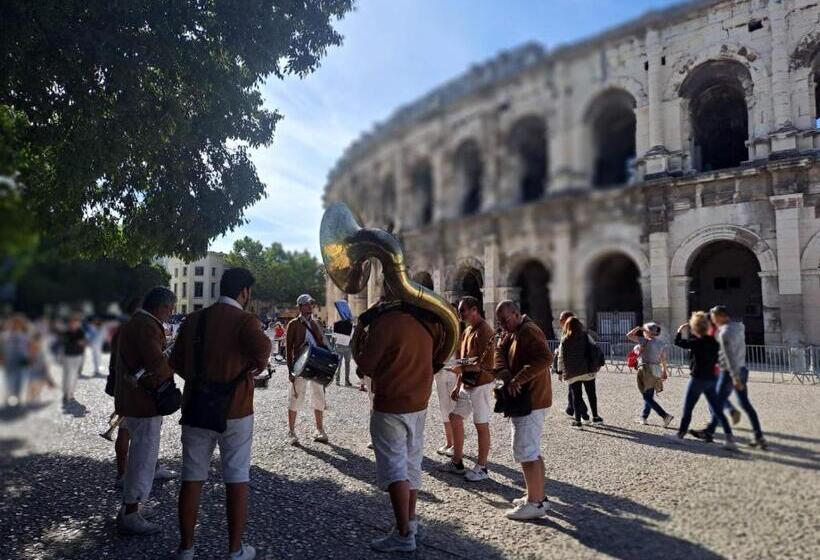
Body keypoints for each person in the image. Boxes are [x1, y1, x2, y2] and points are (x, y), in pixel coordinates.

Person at [171, 268, 271, 560]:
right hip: (236, 410)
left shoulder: (193, 320)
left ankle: (187, 548)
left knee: (191, 477)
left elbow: (176, 362)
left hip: (196, 408)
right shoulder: (245, 320)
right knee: (236, 478)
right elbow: (263, 352)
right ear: (244, 293)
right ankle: (235, 550)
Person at [353, 292, 446, 553]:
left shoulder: (386, 322)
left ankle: (403, 533)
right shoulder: (430, 322)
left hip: (391, 403)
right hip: (419, 402)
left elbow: (366, 365)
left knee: (395, 469)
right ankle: (410, 522)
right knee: (411, 465)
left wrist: (362, 330)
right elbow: (438, 357)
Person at [113, 287, 177, 535]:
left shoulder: (135, 322)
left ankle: (131, 507)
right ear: (160, 307)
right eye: (170, 309)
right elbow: (158, 365)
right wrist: (174, 357)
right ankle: (131, 511)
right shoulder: (147, 326)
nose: (170, 315)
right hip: (144, 403)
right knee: (143, 457)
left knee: (141, 454)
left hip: (133, 399)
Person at [494, 300, 553, 520]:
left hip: (531, 400)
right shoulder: (514, 330)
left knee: (525, 450)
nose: (502, 326)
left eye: (505, 321)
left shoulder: (528, 331)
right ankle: (538, 495)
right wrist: (505, 373)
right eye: (499, 323)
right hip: (527, 400)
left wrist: (517, 380)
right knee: (531, 450)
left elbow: (545, 358)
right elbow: (499, 350)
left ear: (517, 314)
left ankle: (535, 503)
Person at [691, 305, 767, 449]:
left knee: (716, 402)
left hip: (729, 372)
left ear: (720, 316)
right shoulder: (739, 327)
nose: (712, 320)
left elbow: (729, 356)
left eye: (713, 318)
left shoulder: (724, 332)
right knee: (744, 404)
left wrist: (734, 377)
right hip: (742, 368)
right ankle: (758, 437)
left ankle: (719, 435)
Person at [438, 296, 495, 481]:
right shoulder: (468, 330)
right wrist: (458, 384)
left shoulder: (485, 331)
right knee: (455, 417)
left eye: (463, 310)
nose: (460, 314)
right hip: (468, 383)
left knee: (481, 425)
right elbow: (465, 359)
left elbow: (485, 363)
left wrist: (460, 369)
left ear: (474, 310)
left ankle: (482, 467)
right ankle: (457, 461)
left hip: (481, 384)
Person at [669, 312, 736, 449]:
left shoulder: (696, 342)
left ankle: (680, 435)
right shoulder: (715, 342)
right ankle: (729, 439)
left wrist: (679, 331)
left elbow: (678, 342)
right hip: (711, 378)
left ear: (695, 328)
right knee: (717, 409)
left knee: (688, 408)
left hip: (698, 379)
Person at [285, 294, 330, 445]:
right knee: (296, 396)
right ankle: (291, 431)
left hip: (316, 364)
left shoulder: (316, 323)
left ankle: (319, 429)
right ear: (300, 306)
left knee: (319, 396)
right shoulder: (293, 324)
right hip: (299, 365)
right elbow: (288, 348)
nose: (310, 307)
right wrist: (290, 370)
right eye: (307, 304)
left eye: (311, 304)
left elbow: (323, 343)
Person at [557, 317, 602, 427]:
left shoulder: (565, 340)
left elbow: (560, 357)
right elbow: (595, 348)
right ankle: (595, 418)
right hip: (588, 370)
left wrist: (559, 372)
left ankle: (578, 421)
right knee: (592, 395)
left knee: (576, 396)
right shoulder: (586, 336)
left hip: (573, 372)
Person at [627, 322, 673, 427]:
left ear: (648, 331)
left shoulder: (645, 340)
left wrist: (638, 328)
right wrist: (665, 371)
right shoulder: (661, 343)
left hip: (646, 369)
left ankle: (665, 415)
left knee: (646, 396)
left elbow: (629, 335)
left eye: (645, 329)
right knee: (649, 395)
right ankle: (644, 417)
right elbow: (663, 359)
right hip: (656, 369)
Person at [555, 311, 588, 421]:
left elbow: (562, 353)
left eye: (561, 319)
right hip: (580, 367)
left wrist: (559, 371)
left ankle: (584, 414)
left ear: (567, 319)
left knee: (575, 392)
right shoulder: (578, 331)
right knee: (572, 391)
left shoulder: (569, 332)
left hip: (574, 367)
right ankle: (571, 409)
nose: (560, 322)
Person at [3, 314, 31, 407]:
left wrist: (28, 357)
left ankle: (18, 398)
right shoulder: (6, 335)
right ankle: (7, 397)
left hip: (21, 360)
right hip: (9, 360)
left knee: (20, 380)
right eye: (15, 323)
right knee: (9, 380)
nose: (17, 325)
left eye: (19, 323)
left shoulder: (24, 336)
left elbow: (28, 348)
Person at [61, 314, 87, 405]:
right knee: (67, 375)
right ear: (70, 323)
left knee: (75, 375)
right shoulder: (66, 332)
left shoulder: (81, 332)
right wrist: (77, 342)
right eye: (74, 322)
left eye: (77, 323)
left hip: (78, 355)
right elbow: (65, 342)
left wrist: (81, 345)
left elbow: (83, 343)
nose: (76, 324)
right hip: (68, 355)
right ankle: (65, 393)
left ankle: (71, 393)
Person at [333, 317, 354, 386]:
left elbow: (334, 336)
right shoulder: (350, 325)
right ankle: (347, 381)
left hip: (338, 345)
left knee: (338, 364)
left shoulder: (336, 324)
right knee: (347, 364)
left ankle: (337, 381)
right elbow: (351, 336)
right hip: (347, 346)